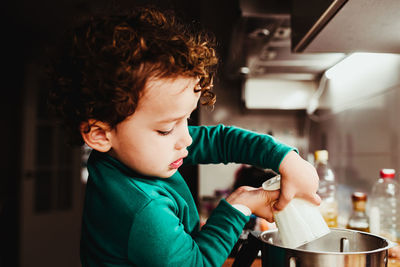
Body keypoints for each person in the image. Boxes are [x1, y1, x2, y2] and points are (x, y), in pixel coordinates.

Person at [48, 6, 320, 266]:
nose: (187, 139)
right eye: (166, 128)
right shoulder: (143, 210)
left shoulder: (128, 153)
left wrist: (286, 159)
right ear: (99, 134)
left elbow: (222, 140)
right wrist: (239, 204)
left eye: (186, 121)